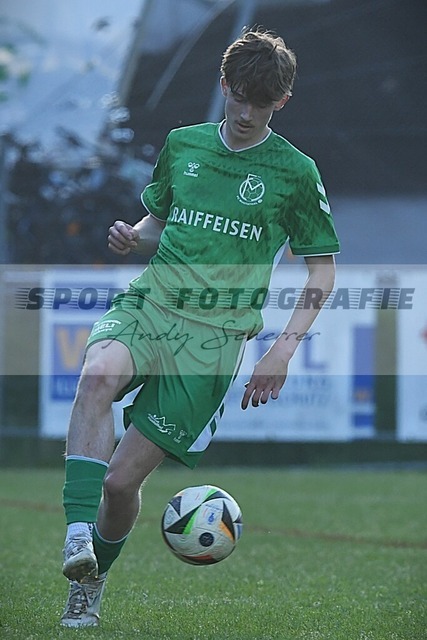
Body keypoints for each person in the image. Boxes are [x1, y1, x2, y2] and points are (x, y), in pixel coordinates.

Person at [60, 26, 340, 627]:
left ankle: (92, 578)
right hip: (153, 303)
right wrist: (133, 236)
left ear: (281, 101)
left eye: (260, 103)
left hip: (213, 340)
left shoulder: (295, 172)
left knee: (120, 485)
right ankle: (76, 532)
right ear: (224, 84)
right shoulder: (183, 143)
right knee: (97, 374)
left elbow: (322, 269)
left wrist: (282, 351)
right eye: (238, 96)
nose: (245, 113)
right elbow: (160, 223)